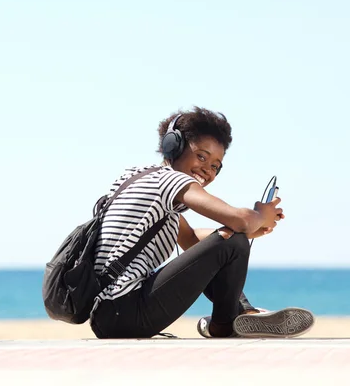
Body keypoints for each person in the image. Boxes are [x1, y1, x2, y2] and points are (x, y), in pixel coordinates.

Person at [89, 107, 314, 338]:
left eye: (215, 165)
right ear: (173, 146)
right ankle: (227, 323)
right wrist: (257, 215)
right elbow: (239, 219)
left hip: (109, 315)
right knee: (234, 241)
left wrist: (247, 232)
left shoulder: (141, 178)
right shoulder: (169, 180)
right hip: (124, 309)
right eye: (201, 156)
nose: (207, 169)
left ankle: (241, 314)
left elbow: (191, 239)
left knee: (233, 240)